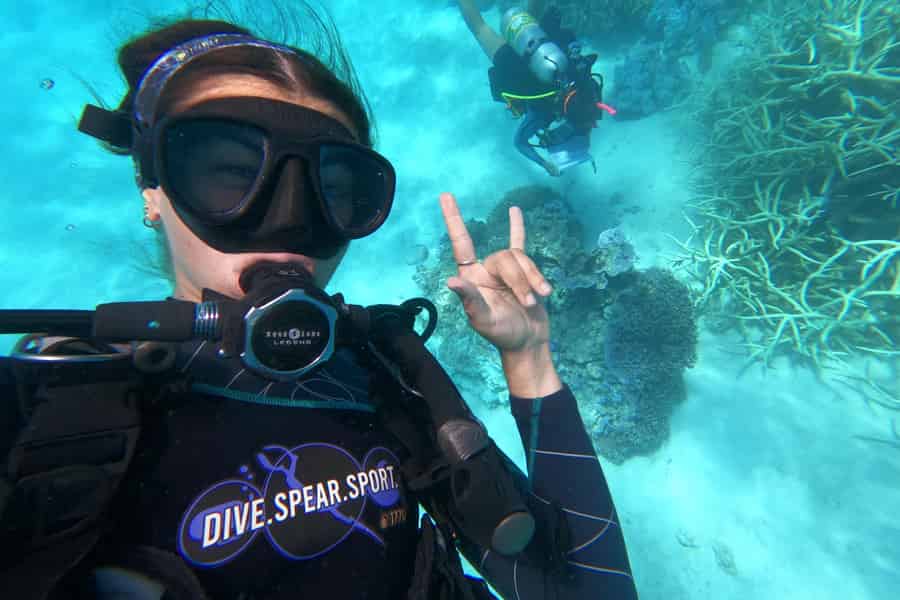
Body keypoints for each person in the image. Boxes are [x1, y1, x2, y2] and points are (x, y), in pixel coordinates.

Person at [0, 6, 637, 600]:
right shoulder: (45, 415)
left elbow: (583, 588)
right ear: (154, 190)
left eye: (333, 188)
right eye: (228, 172)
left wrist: (529, 359)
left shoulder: (379, 372)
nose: (289, 223)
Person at [457, 1, 612, 176]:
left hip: (544, 48)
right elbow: (519, 143)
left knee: (531, 23)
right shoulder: (544, 114)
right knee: (479, 27)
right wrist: (544, 163)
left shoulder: (588, 96)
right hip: (515, 67)